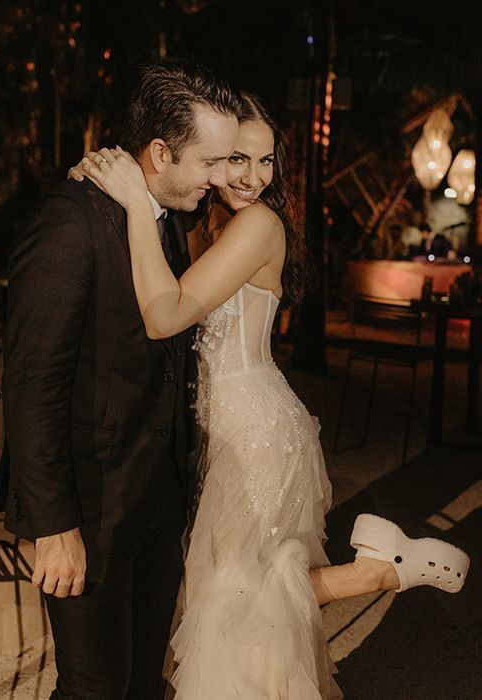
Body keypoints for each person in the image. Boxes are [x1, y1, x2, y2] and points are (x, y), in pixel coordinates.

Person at [71, 91, 470, 698]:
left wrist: (129, 198)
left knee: (234, 604)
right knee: (240, 595)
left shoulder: (258, 225)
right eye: (237, 160)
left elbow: (165, 313)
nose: (255, 178)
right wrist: (115, 182)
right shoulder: (213, 221)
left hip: (255, 432)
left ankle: (378, 572)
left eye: (266, 162)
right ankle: (383, 567)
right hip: (229, 430)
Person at [0, 60, 241, 699]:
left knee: (138, 686)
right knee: (94, 690)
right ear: (160, 152)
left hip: (155, 502)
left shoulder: (170, 217)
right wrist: (53, 527)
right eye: (209, 163)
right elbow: (32, 383)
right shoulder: (70, 223)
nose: (220, 180)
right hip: (90, 507)